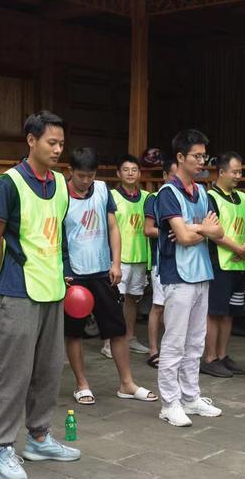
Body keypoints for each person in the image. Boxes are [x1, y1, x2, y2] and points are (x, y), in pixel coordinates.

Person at [0, 111, 79, 479]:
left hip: (53, 289)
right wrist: (3, 278)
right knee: (13, 374)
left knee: (49, 370)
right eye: (51, 142)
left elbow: (59, 234)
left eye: (61, 144)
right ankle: (3, 448)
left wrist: (64, 272)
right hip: (19, 290)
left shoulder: (60, 184)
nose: (57, 149)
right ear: (31, 140)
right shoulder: (8, 184)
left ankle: (39, 437)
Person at [63, 147, 157, 406]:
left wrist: (116, 263)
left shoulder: (103, 190)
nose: (86, 181)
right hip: (75, 274)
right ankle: (82, 384)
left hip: (103, 271)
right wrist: (63, 271)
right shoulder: (61, 194)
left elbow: (113, 228)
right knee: (74, 333)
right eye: (81, 176)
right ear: (71, 171)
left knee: (117, 329)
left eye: (90, 175)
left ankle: (127, 383)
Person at [155, 129, 223, 427]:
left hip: (201, 273)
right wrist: (201, 229)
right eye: (196, 156)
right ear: (180, 157)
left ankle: (191, 397)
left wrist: (196, 229)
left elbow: (219, 231)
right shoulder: (167, 193)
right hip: (177, 275)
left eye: (204, 156)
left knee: (196, 342)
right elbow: (181, 238)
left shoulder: (203, 192)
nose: (201, 161)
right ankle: (169, 403)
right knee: (175, 342)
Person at [202, 152, 245, 378]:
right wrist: (238, 248)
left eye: (240, 172)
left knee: (230, 313)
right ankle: (210, 358)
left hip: (238, 264)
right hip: (219, 263)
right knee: (214, 312)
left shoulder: (242, 197)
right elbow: (212, 231)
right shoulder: (210, 197)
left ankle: (223, 356)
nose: (238, 176)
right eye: (235, 172)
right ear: (221, 172)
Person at [107, 154, 150, 357]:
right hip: (119, 258)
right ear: (118, 173)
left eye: (134, 170)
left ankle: (130, 338)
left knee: (132, 300)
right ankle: (109, 342)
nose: (130, 173)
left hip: (140, 256)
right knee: (115, 301)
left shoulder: (147, 197)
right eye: (126, 170)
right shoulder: (111, 196)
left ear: (139, 173)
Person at [145, 158, 177, 369]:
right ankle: (153, 351)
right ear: (165, 176)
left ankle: (170, 351)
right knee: (158, 307)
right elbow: (148, 229)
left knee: (174, 309)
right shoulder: (154, 198)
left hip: (180, 262)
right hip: (161, 260)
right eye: (173, 175)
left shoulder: (184, 197)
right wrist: (173, 232)